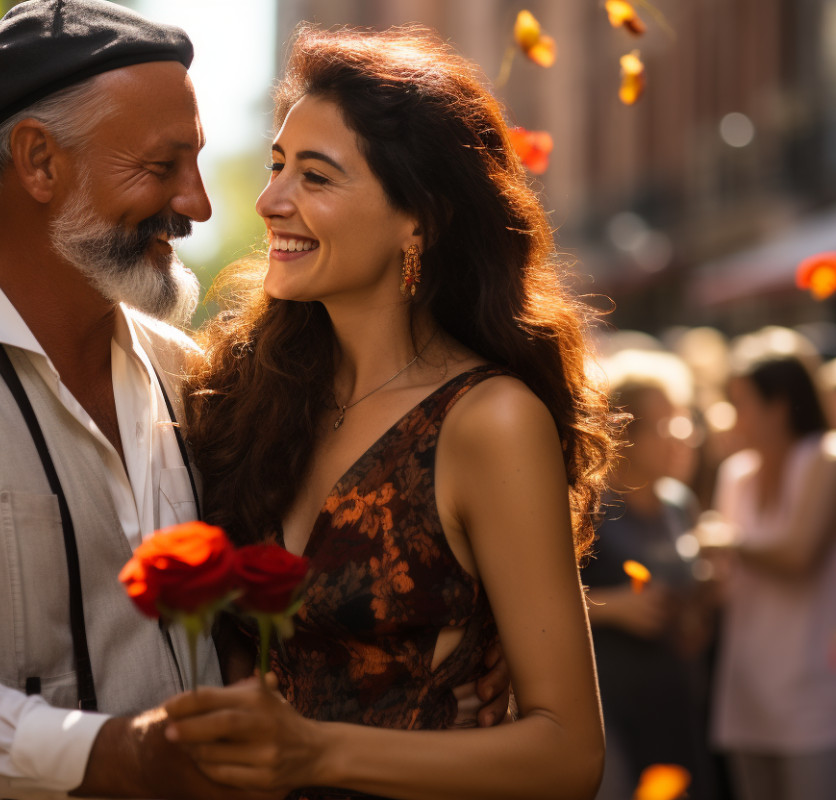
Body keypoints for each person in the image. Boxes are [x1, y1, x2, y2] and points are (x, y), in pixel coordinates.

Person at [0, 3, 510, 799]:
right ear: (38, 162)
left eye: (197, 165)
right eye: (163, 167)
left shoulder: (189, 377)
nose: (199, 205)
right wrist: (116, 756)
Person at [153, 26, 612, 799]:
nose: (271, 201)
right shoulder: (241, 388)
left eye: (317, 177)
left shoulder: (488, 423)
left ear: (418, 220)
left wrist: (317, 753)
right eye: (276, 167)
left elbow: (570, 754)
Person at [702, 328, 836, 800]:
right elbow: (722, 586)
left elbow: (800, 555)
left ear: (778, 405)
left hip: (824, 705)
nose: (729, 417)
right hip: (749, 701)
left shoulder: (832, 458)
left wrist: (724, 543)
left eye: (739, 402)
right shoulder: (735, 474)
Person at [581, 350, 715, 800]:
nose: (680, 436)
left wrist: (699, 610)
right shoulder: (589, 509)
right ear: (623, 433)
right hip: (609, 709)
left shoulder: (679, 504)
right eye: (662, 425)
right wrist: (614, 608)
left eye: (681, 420)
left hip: (674, 704)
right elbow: (539, 604)